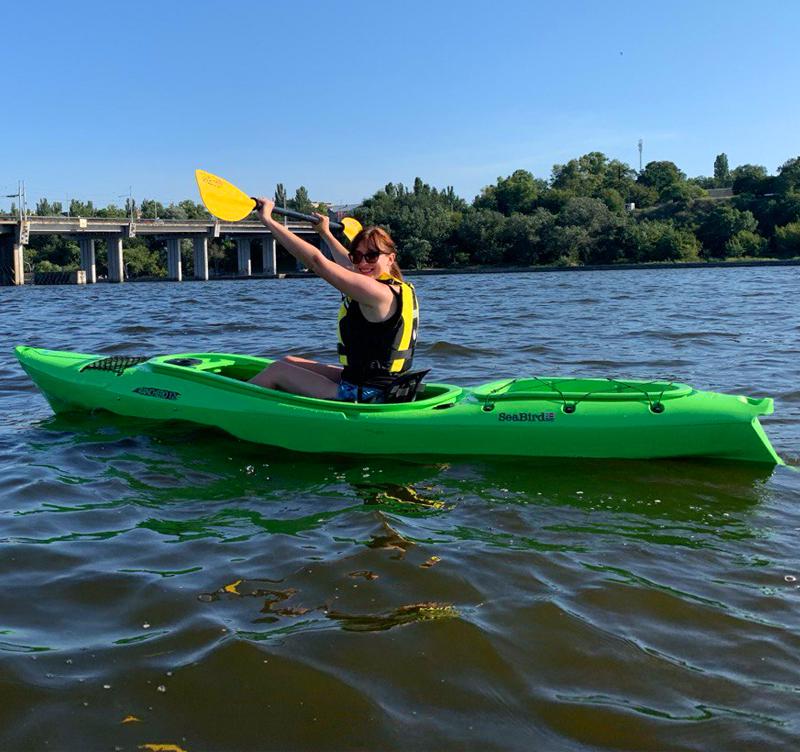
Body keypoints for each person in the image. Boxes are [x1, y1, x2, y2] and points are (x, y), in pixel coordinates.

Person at [249, 198, 419, 403]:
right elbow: (350, 265)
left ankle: (229, 406)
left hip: (366, 395)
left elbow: (317, 262)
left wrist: (268, 220)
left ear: (390, 259)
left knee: (276, 371)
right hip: (383, 385)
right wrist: (326, 233)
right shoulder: (395, 288)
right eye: (358, 256)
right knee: (288, 361)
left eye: (372, 256)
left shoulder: (377, 293)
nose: (363, 263)